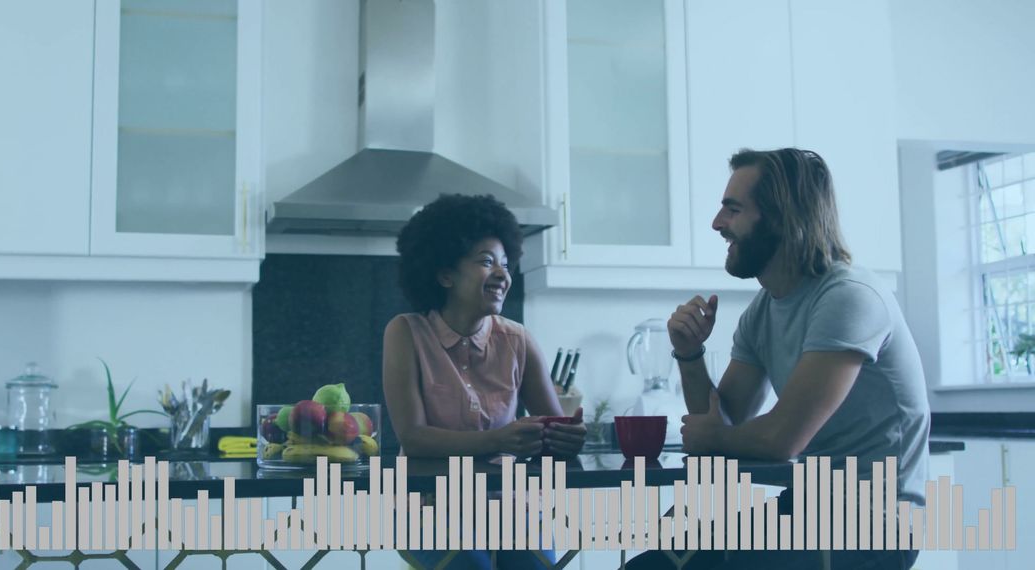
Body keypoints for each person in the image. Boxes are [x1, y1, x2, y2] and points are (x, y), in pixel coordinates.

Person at [628, 148, 929, 569]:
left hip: (873, 527)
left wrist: (714, 439)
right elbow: (724, 421)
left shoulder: (850, 298)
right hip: (807, 510)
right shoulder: (765, 309)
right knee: (653, 564)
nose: (717, 224)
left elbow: (782, 439)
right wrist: (689, 353)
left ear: (782, 218)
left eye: (732, 210)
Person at [383, 193, 587, 569]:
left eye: (505, 264)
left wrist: (567, 437)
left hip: (510, 504)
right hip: (430, 506)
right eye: (485, 262)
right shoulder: (406, 333)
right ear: (445, 274)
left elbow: (554, 428)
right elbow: (413, 437)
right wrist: (498, 439)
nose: (501, 274)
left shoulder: (517, 339)